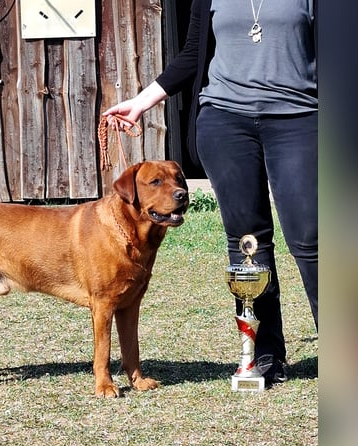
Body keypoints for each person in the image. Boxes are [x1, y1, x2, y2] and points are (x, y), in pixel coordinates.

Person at [104, 0, 317, 384]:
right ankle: (264, 355)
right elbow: (191, 55)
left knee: (310, 236)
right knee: (248, 240)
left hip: (300, 118)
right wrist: (140, 103)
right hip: (225, 119)